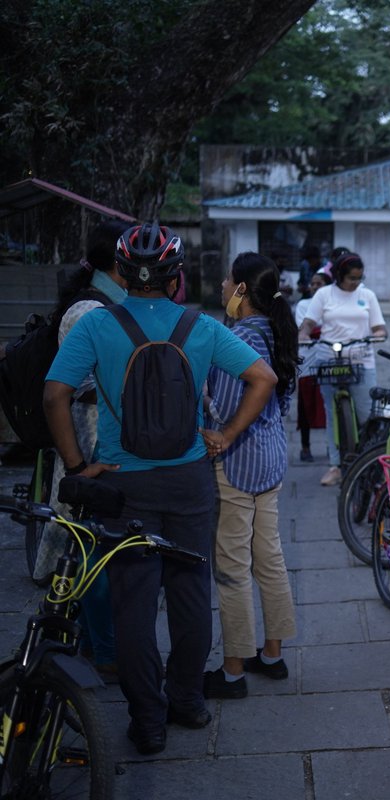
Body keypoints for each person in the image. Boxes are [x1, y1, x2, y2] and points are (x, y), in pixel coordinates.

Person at [44, 222, 277, 756]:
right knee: (192, 596)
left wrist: (79, 468)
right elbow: (263, 378)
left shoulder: (96, 326)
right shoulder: (200, 326)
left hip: (123, 483)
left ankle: (147, 720)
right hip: (190, 479)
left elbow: (55, 396)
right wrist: (225, 435)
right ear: (177, 277)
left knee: (133, 606)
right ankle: (188, 701)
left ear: (121, 274)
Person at [202, 252, 300, 700]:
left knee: (232, 566)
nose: (222, 286)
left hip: (238, 461)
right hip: (271, 457)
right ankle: (273, 654)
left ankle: (234, 668)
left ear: (241, 289)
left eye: (227, 280)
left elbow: (225, 405)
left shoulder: (239, 336)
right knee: (270, 557)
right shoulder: (274, 329)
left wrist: (221, 432)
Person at [39, 219, 128, 677]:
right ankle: (105, 653)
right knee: (93, 549)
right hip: (88, 444)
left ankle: (96, 645)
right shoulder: (89, 311)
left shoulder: (105, 303)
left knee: (95, 546)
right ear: (119, 262)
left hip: (97, 442)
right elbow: (69, 386)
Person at [297, 251, 387, 486]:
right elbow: (308, 323)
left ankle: (371, 463)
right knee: (331, 414)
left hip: (361, 360)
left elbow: (379, 327)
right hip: (328, 359)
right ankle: (335, 465)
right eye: (351, 278)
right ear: (338, 275)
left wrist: (378, 335)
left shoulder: (367, 295)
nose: (356, 282)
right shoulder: (324, 295)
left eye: (359, 277)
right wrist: (304, 334)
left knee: (368, 415)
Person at [294, 271, 330, 462]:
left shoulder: (332, 304)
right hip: (307, 359)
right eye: (313, 283)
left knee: (330, 407)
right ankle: (305, 447)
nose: (315, 286)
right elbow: (304, 328)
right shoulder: (303, 305)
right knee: (306, 406)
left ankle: (332, 446)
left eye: (320, 283)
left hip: (328, 357)